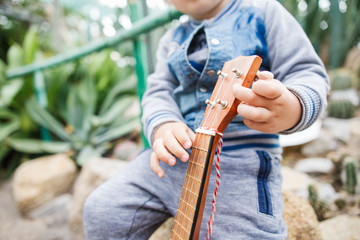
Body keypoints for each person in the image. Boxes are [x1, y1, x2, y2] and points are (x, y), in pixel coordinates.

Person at [83, 0, 329, 239]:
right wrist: (164, 125)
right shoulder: (171, 40)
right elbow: (158, 91)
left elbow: (306, 72)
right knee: (103, 209)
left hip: (240, 164)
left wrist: (293, 107)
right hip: (174, 160)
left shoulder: (262, 11)